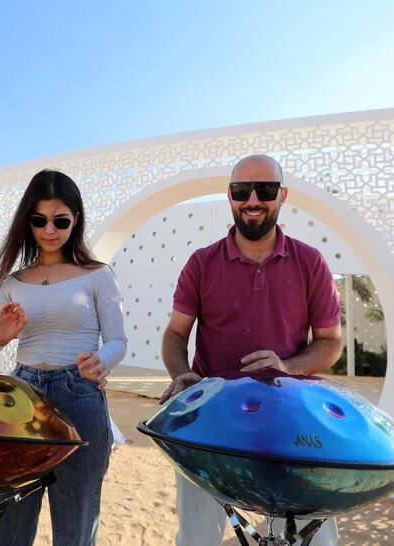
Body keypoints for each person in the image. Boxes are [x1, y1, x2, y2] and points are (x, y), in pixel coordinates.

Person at [160, 154, 343, 546]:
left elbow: (331, 342)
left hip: (291, 420)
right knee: (197, 538)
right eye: (243, 191)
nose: (254, 199)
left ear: (283, 196)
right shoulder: (201, 263)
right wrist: (181, 375)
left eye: (266, 190)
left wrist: (286, 365)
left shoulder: (311, 262)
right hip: (210, 421)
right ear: (230, 196)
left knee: (314, 537)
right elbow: (175, 334)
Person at [0, 169, 127, 546]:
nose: (49, 230)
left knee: (76, 518)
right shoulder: (13, 281)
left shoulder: (97, 275)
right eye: (39, 220)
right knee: (10, 514)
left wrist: (101, 361)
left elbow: (118, 341)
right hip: (21, 397)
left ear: (76, 220)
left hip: (81, 396)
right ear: (27, 221)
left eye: (60, 221)